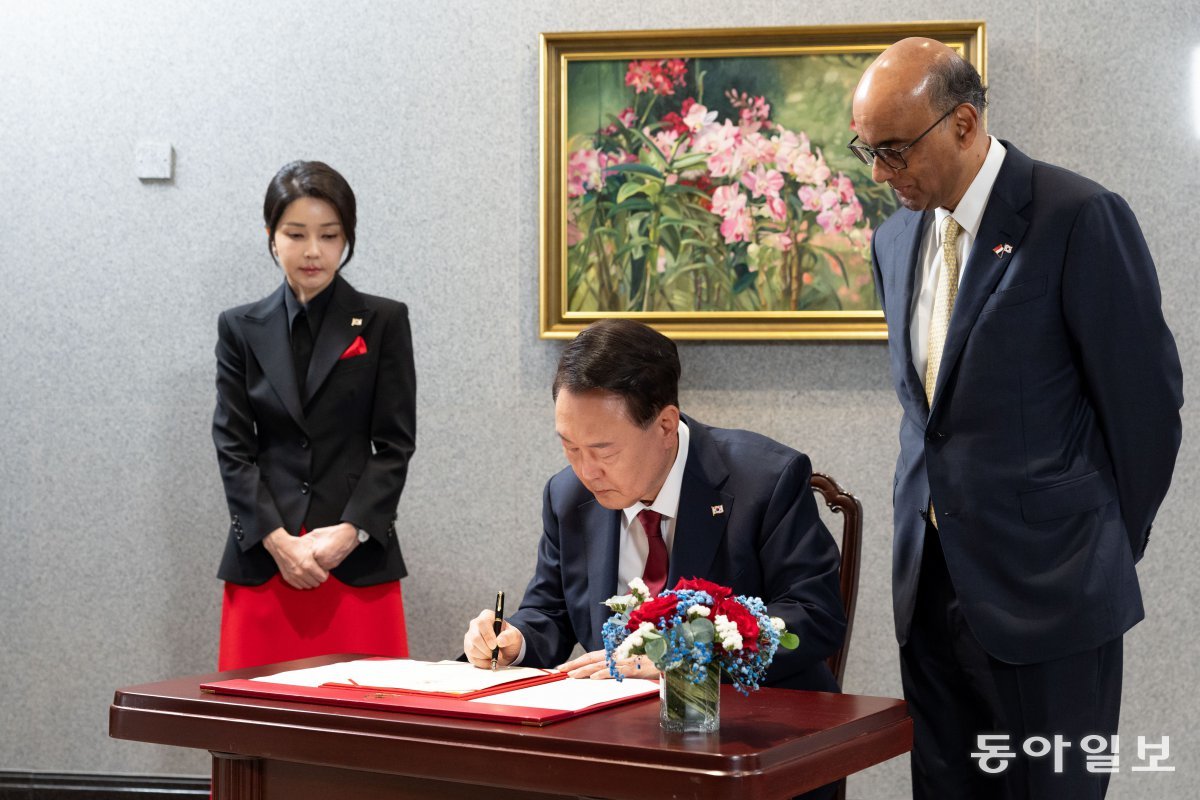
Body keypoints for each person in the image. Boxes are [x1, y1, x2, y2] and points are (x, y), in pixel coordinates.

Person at [850, 38, 1183, 798]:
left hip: (1053, 593)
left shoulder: (1078, 217)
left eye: (895, 151)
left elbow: (1146, 410)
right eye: (866, 151)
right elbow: (930, 415)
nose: (879, 174)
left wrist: (1095, 545)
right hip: (931, 588)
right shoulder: (894, 236)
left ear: (963, 123)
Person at [462, 319, 846, 693]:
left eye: (603, 450)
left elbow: (813, 615)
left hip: (754, 723)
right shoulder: (567, 495)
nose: (585, 470)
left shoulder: (763, 480)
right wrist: (514, 641)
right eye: (569, 446)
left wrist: (682, 656)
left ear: (665, 425)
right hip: (619, 729)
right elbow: (550, 612)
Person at [212, 160, 417, 671]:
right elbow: (233, 446)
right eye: (295, 233)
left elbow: (394, 444)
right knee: (254, 729)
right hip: (265, 559)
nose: (312, 251)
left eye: (328, 235)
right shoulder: (239, 327)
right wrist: (278, 541)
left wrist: (351, 530)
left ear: (346, 238)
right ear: (271, 236)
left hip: (353, 561)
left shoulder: (384, 320)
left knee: (368, 723)